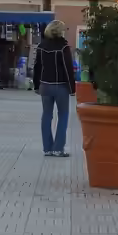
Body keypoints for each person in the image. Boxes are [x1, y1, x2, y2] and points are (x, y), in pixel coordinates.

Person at [31, 19, 76, 157]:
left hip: (45, 85)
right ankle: (58, 148)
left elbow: (37, 67)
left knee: (46, 116)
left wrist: (36, 85)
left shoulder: (41, 46)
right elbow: (68, 69)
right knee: (63, 116)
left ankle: (48, 148)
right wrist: (72, 88)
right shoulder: (64, 47)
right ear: (60, 31)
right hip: (60, 86)